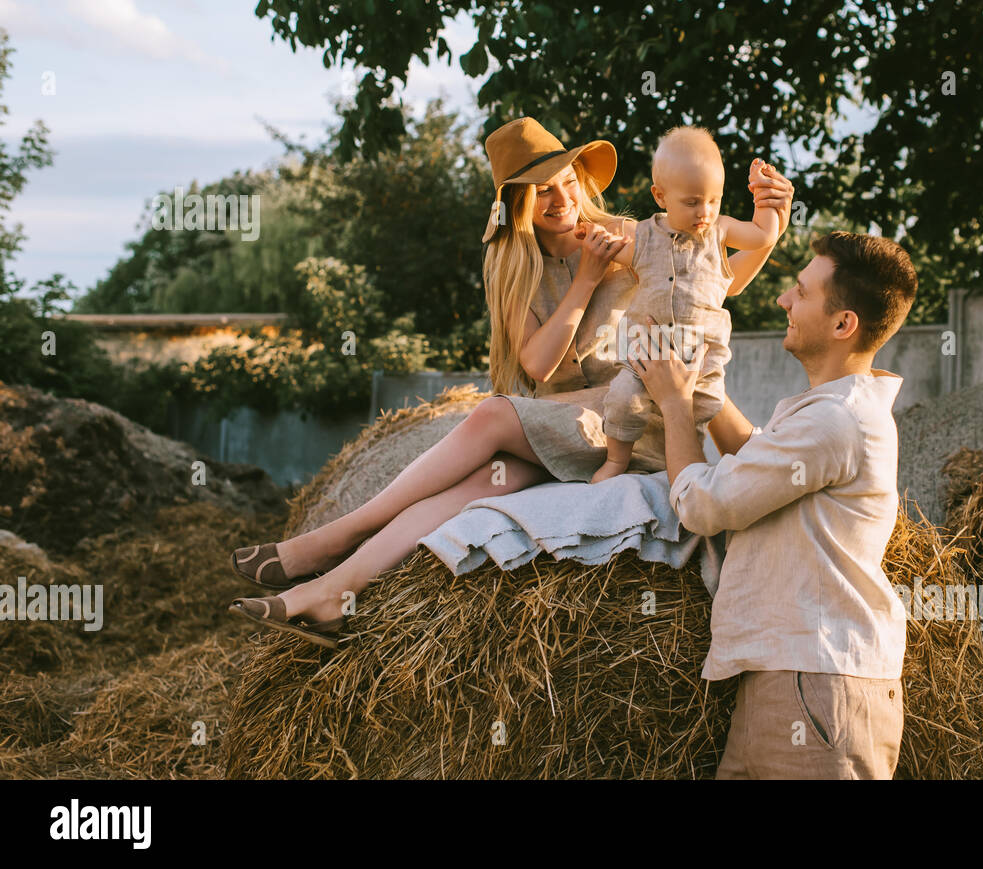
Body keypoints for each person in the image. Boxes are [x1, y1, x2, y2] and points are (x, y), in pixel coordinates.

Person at [228, 116, 794, 647]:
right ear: (517, 202)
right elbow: (538, 366)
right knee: (471, 493)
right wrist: (584, 283)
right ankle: (332, 593)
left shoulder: (622, 236)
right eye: (541, 190)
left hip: (629, 416)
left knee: (492, 414)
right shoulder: (510, 261)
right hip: (558, 426)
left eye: (568, 182)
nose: (562, 199)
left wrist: (768, 230)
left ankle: (326, 542)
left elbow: (708, 282)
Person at [629, 230, 919, 779]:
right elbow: (757, 459)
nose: (784, 299)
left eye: (802, 292)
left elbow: (703, 503)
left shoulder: (834, 421)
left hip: (814, 691)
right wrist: (701, 387)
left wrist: (673, 404)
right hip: (793, 684)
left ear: (842, 325)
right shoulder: (830, 411)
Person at [590, 126, 781, 482]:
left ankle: (710, 476)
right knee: (622, 400)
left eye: (714, 200)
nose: (704, 211)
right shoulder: (646, 235)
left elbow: (764, 235)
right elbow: (621, 252)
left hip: (701, 359)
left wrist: (764, 199)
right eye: (692, 202)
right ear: (660, 196)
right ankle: (616, 461)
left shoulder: (719, 231)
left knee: (706, 409)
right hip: (645, 352)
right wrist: (592, 236)